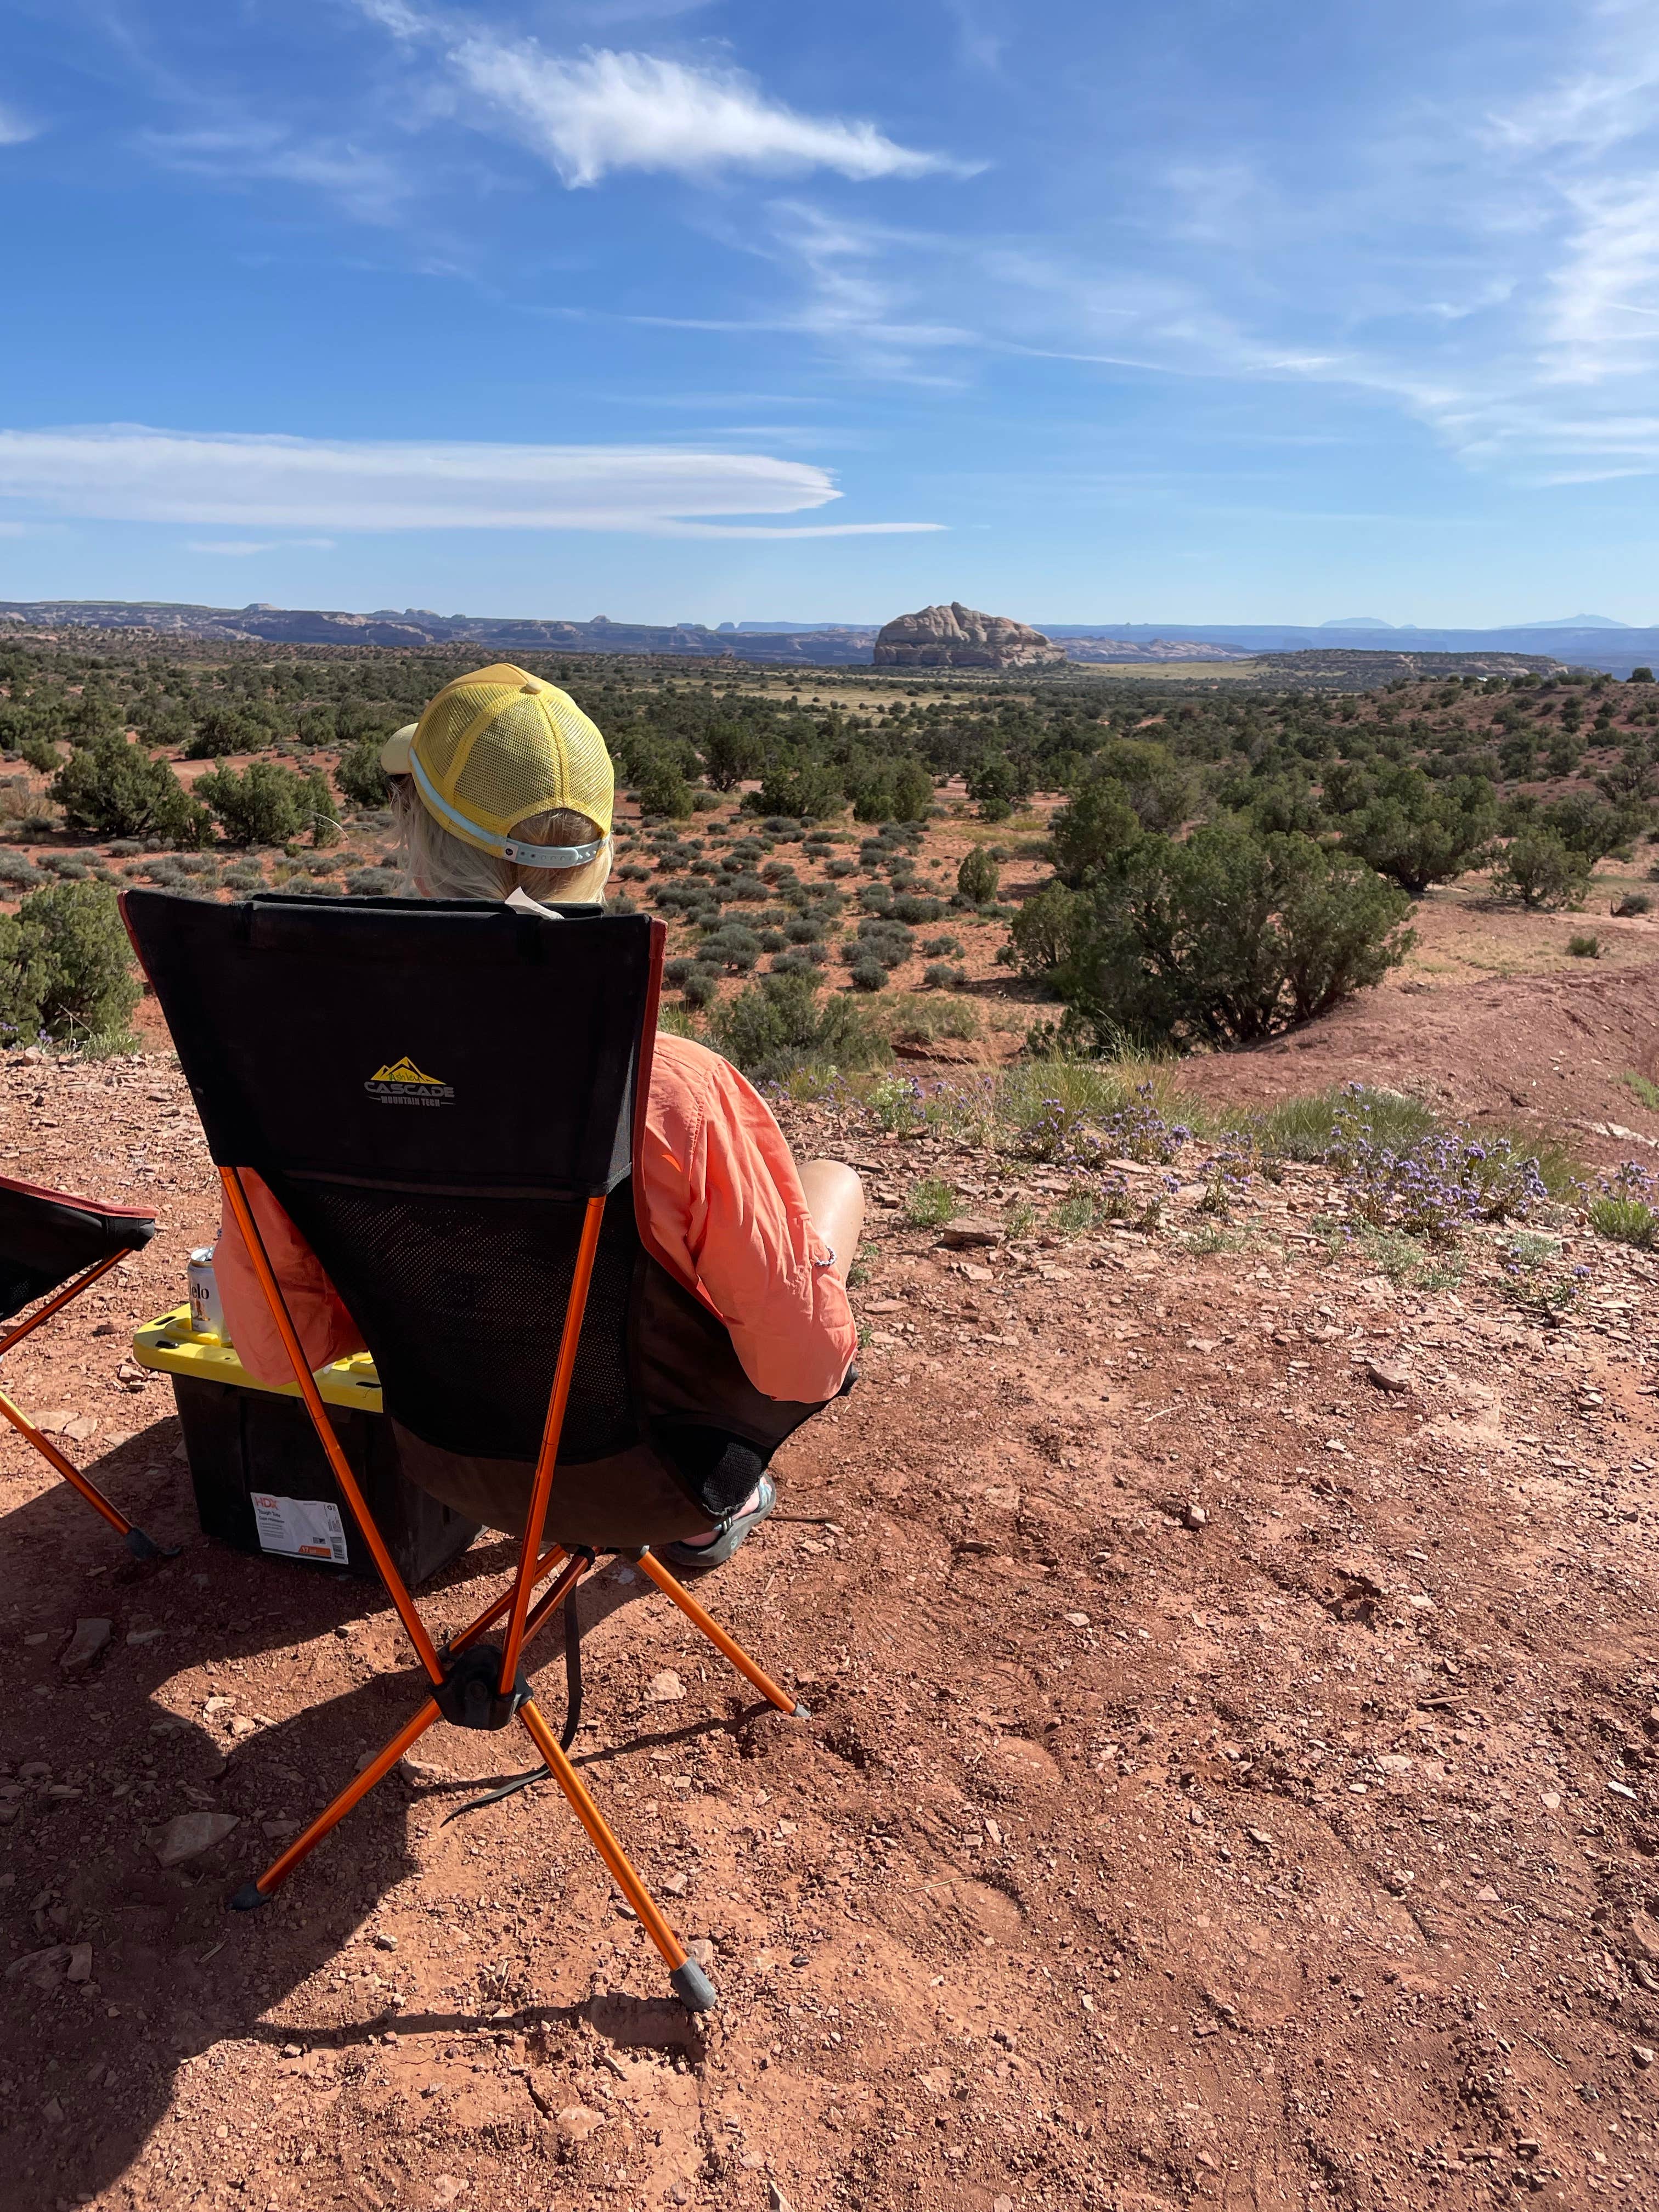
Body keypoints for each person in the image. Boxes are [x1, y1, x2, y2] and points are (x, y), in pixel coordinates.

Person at [211, 663, 862, 1567]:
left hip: (443, 1461)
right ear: (599, 856)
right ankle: (705, 1516)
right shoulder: (675, 1088)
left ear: (424, 843)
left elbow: (275, 1355)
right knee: (836, 1184)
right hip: (650, 1478)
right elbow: (804, 1371)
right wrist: (810, 1263)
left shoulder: (299, 1078)